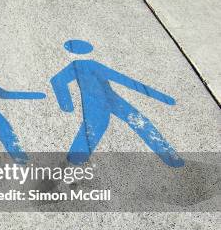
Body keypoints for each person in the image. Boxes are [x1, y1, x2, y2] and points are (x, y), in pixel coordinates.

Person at [50, 39, 184, 167]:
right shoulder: (76, 65)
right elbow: (57, 80)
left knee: (138, 120)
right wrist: (66, 104)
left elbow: (124, 80)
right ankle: (74, 160)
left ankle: (170, 157)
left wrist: (162, 97)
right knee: (95, 127)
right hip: (94, 100)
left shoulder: (93, 64)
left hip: (111, 98)